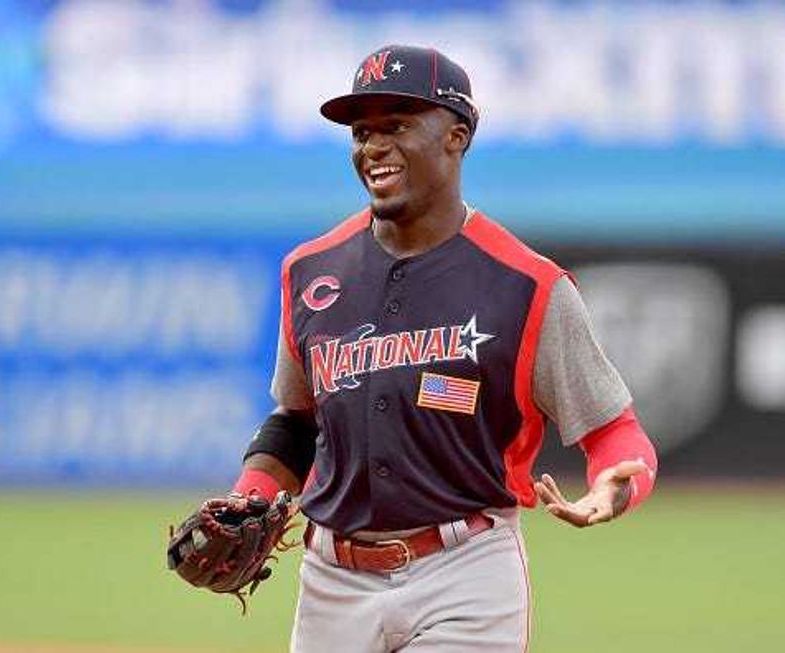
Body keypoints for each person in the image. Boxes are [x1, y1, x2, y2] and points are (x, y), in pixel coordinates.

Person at [230, 45, 658, 653]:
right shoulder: (310, 272)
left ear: (456, 136)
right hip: (332, 582)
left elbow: (615, 433)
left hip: (465, 575)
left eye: (397, 125)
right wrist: (247, 500)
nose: (372, 146)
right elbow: (297, 423)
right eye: (362, 131)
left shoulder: (527, 286)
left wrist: (616, 485)